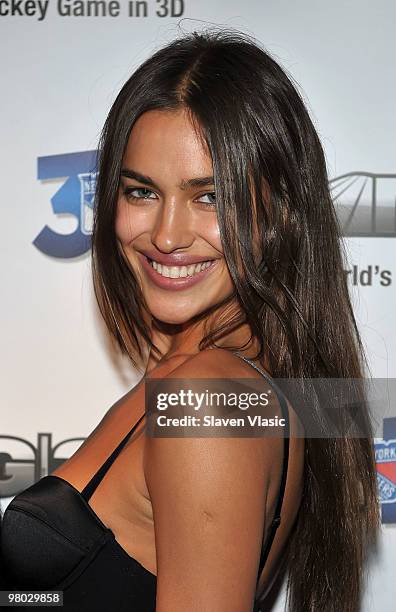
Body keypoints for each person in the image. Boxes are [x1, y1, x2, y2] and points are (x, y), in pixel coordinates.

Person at [0, 28, 379, 611]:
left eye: (210, 197)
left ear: (277, 211)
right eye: (142, 192)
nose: (167, 235)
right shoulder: (202, 377)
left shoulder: (208, 398)